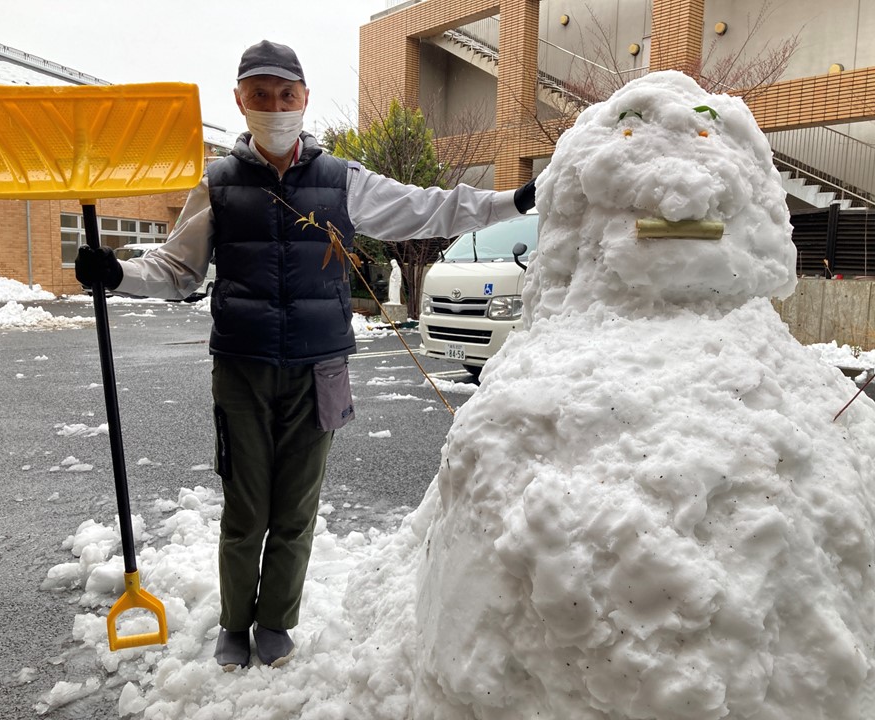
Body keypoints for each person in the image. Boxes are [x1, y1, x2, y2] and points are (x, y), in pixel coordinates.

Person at [75, 39, 537, 672]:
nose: (274, 106)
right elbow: (178, 268)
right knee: (245, 509)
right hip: (242, 366)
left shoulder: (341, 179)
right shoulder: (217, 184)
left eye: (285, 94)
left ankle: (275, 622)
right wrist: (118, 273)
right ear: (240, 101)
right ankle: (235, 622)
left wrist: (507, 203)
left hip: (321, 369)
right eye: (259, 95)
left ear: (304, 99)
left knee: (295, 508)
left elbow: (426, 206)